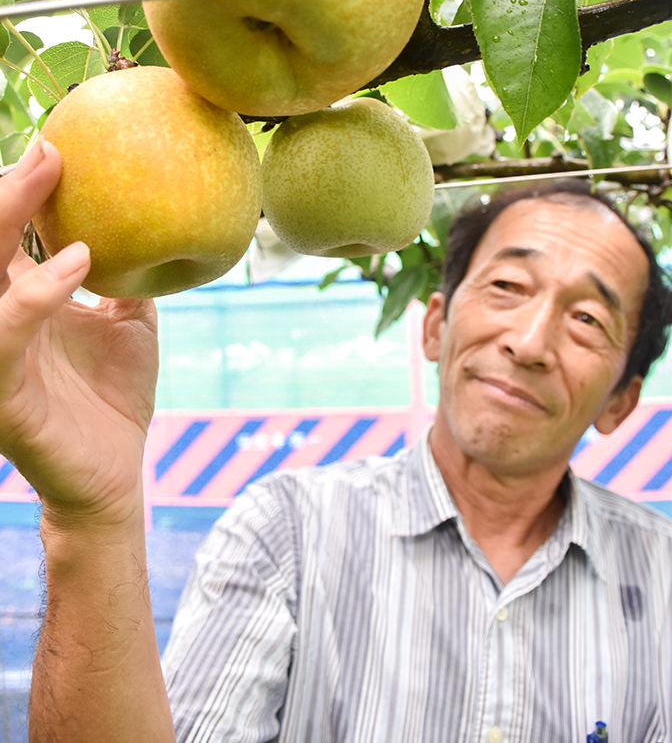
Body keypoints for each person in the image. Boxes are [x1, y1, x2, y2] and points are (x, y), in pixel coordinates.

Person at [2, 139, 672, 742]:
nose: (528, 343)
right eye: (505, 285)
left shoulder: (661, 578)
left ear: (622, 399)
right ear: (434, 325)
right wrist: (93, 518)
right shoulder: (288, 531)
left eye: (587, 317)